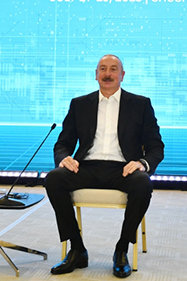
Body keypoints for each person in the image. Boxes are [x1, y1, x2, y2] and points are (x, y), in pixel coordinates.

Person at [45, 54, 164, 278]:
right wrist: (64, 157)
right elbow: (63, 143)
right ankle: (77, 249)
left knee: (142, 183)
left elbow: (156, 147)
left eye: (113, 69)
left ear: (122, 75)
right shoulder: (79, 104)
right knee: (54, 178)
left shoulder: (140, 104)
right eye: (102, 69)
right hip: (86, 167)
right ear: (96, 74)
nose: (107, 74)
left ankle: (121, 249)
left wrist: (142, 163)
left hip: (123, 168)